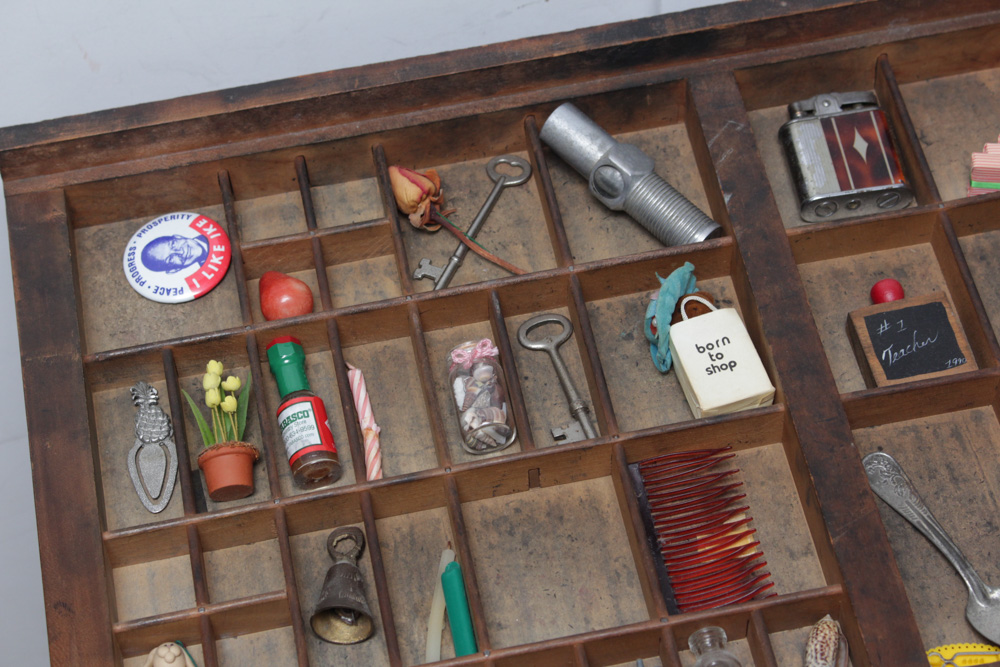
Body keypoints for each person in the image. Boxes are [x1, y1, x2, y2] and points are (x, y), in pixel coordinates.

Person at [141, 234, 209, 273]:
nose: (180, 252)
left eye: (173, 245)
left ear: (178, 236)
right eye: (170, 259)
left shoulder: (210, 234)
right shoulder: (208, 272)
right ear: (174, 270)